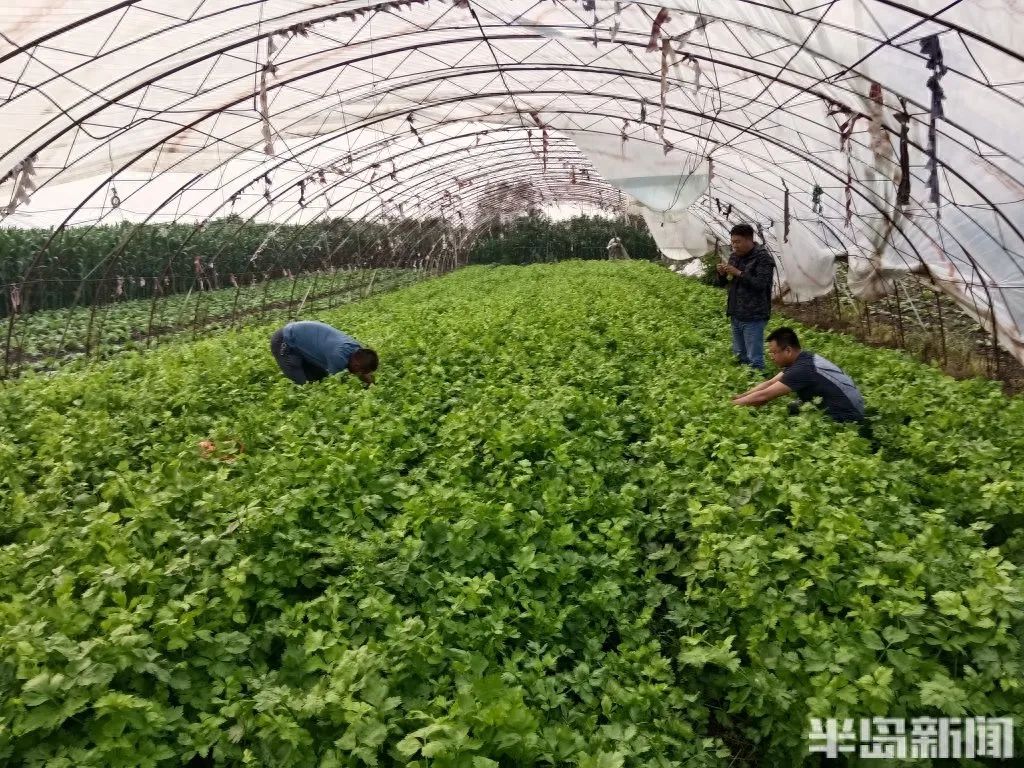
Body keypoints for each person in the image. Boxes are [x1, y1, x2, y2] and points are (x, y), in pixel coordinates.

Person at [732, 327, 865, 423]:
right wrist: (741, 396)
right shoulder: (803, 358)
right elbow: (770, 383)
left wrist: (731, 405)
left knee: (798, 418)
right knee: (793, 408)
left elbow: (764, 396)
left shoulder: (802, 369)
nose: (771, 357)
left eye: (774, 353)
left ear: (788, 350)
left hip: (847, 415)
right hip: (849, 405)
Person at [714, 223, 775, 371]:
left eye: (737, 242)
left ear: (749, 240)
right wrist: (722, 274)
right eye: (732, 241)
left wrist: (739, 273)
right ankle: (742, 384)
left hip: (754, 315)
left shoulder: (763, 258)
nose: (734, 245)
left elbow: (761, 284)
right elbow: (722, 284)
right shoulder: (735, 256)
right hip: (736, 313)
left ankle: (757, 387)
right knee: (739, 354)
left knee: (754, 359)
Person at [270, 320, 377, 386]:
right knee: (303, 386)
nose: (358, 375)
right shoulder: (337, 356)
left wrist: (370, 383)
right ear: (356, 365)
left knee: (319, 377)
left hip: (300, 338)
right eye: (359, 372)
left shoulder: (356, 349)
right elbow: (339, 384)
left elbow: (362, 370)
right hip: (284, 341)